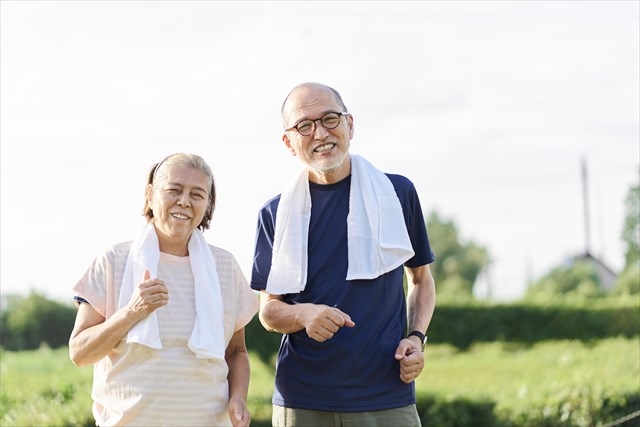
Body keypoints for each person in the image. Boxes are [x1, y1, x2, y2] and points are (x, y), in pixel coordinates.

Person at [250, 82, 437, 427]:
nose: (320, 132)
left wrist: (416, 338)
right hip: (302, 400)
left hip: (387, 396)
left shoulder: (398, 193)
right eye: (304, 125)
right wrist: (305, 314)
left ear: (350, 124)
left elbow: (422, 280)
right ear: (288, 142)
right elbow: (269, 311)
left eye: (330, 119)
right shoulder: (274, 213)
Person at [69, 153, 259, 427]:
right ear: (150, 195)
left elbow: (236, 352)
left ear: (207, 205)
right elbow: (80, 353)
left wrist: (238, 398)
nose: (184, 201)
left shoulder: (225, 266)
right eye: (174, 190)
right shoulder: (113, 260)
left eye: (197, 194)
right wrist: (131, 312)